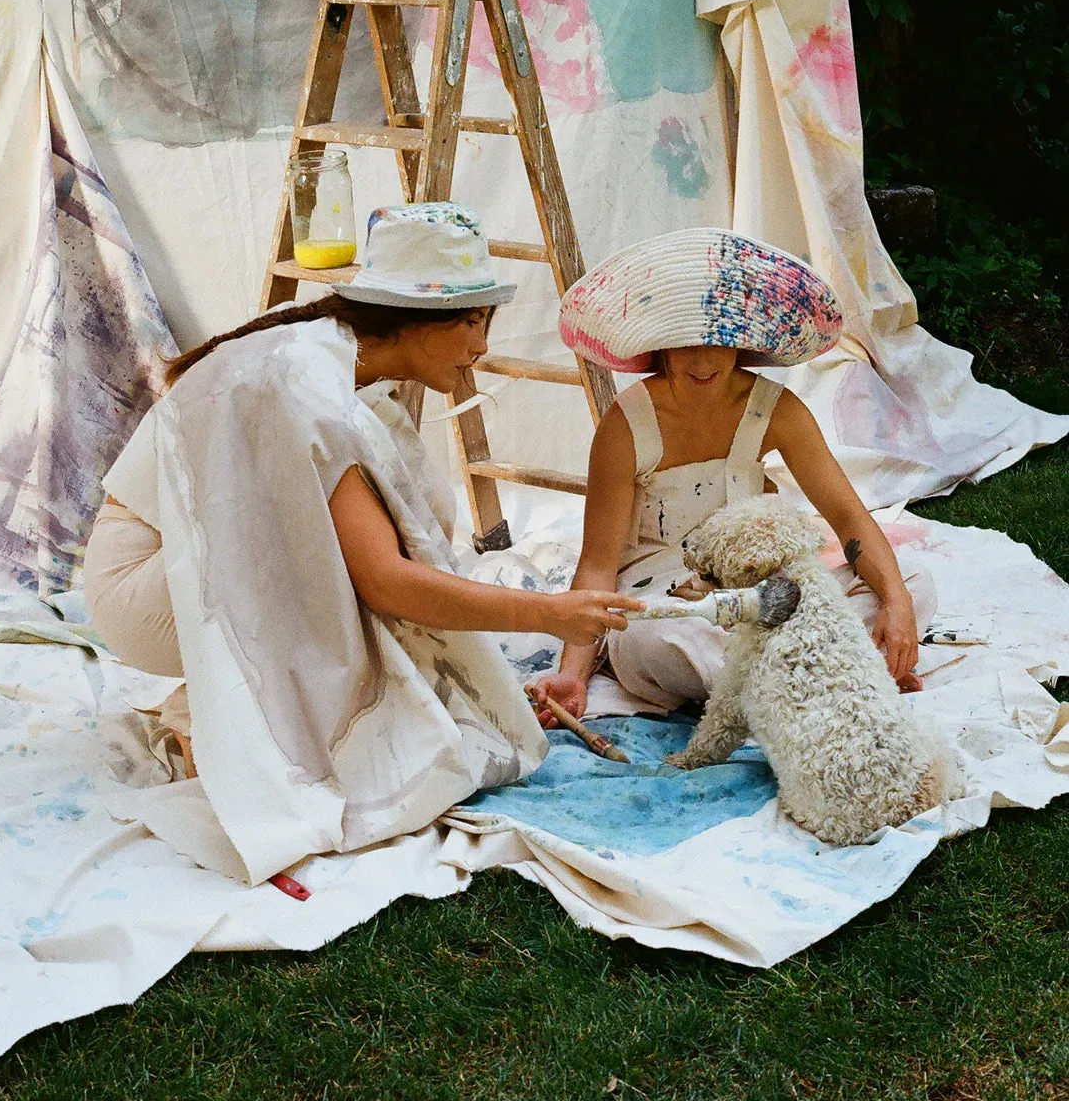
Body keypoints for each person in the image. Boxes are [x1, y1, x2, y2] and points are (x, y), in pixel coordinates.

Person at [82, 202, 641, 884]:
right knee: (350, 574)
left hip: (180, 574)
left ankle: (221, 703)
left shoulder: (334, 364)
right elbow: (388, 584)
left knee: (378, 528)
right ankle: (214, 717)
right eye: (472, 321)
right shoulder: (307, 386)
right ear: (417, 322)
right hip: (142, 589)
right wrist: (549, 614)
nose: (482, 346)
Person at [531, 227, 936, 726]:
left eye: (718, 342)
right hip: (666, 604)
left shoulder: (777, 410)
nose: (702, 361)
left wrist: (896, 602)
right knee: (659, 640)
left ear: (744, 342)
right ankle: (830, 675)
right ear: (660, 345)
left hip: (758, 592)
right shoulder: (626, 426)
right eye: (686, 344)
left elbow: (849, 515)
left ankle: (788, 680)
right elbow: (597, 564)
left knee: (913, 586)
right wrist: (573, 673)